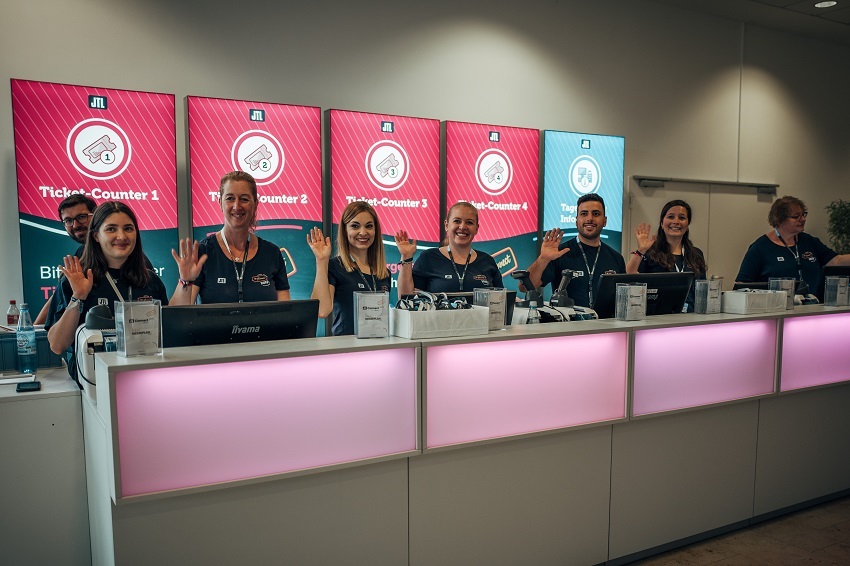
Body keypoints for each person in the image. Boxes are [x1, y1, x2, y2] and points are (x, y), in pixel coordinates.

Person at [46, 202, 169, 381]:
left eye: (128, 228)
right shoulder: (77, 279)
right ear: (96, 235)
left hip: (145, 374)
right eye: (111, 229)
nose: (121, 236)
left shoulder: (150, 279)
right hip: (95, 380)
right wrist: (78, 297)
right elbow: (57, 345)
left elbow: (169, 335)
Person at [170, 171, 291, 304]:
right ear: (220, 202)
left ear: (255, 204)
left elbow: (285, 313)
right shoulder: (203, 252)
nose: (237, 206)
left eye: (244, 199)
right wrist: (185, 281)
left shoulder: (272, 253)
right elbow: (179, 314)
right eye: (230, 198)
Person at [308, 201, 400, 336]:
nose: (363, 232)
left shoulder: (384, 272)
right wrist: (322, 261)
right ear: (345, 230)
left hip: (379, 346)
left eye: (369, 226)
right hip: (347, 348)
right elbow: (322, 311)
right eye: (355, 226)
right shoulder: (335, 266)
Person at [525, 194, 626, 308]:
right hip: (568, 324)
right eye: (584, 214)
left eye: (596, 214)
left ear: (604, 221)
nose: (589, 218)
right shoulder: (559, 253)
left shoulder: (616, 258)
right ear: (576, 220)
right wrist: (543, 259)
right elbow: (525, 287)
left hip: (608, 324)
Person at [736, 195, 850, 294]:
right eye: (796, 217)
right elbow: (742, 286)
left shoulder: (809, 241)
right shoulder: (760, 248)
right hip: (777, 311)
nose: (803, 219)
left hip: (812, 308)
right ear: (779, 219)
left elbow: (836, 261)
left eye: (803, 214)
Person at [396, 201, 503, 295]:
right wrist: (406, 257)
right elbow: (406, 299)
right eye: (457, 221)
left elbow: (501, 301)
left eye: (469, 222)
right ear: (446, 225)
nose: (462, 227)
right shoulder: (429, 258)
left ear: (476, 229)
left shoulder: (487, 261)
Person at [626, 199, 707, 312]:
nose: (676, 221)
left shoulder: (696, 254)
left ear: (687, 224)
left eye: (682, 218)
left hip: (691, 319)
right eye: (670, 217)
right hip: (659, 320)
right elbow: (630, 274)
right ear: (662, 223)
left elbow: (702, 291)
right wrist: (641, 250)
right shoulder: (651, 252)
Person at [35, 194, 98, 324]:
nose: (75, 225)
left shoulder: (112, 252)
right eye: (68, 221)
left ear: (96, 216)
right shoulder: (82, 252)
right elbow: (58, 296)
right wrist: (34, 331)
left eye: (81, 217)